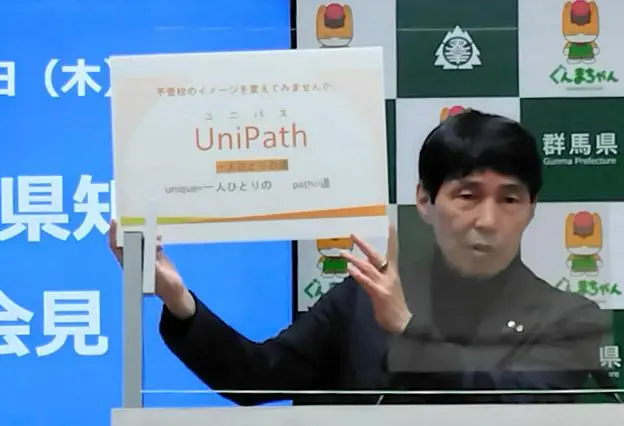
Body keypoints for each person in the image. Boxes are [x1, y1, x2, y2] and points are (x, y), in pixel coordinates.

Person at [109, 110, 612, 405]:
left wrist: (406, 328)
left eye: (510, 199)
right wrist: (179, 300)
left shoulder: (569, 319)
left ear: (531, 209)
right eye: (467, 195)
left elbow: (519, 407)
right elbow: (255, 377)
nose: (487, 219)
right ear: (424, 200)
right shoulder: (362, 299)